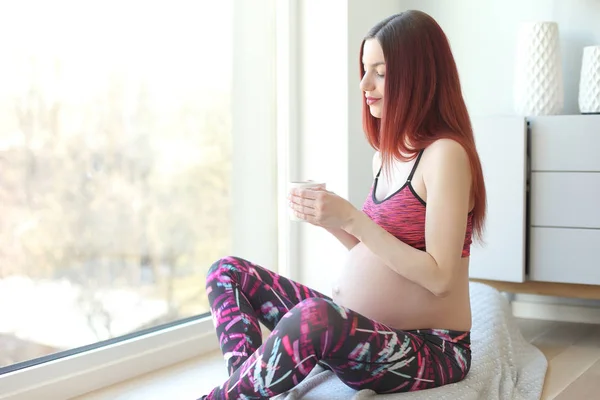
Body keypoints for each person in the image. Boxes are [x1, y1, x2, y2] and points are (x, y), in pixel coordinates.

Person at [199, 9, 486, 400]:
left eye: (381, 72)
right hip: (366, 329)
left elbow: (439, 277)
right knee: (226, 273)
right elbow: (377, 255)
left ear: (419, 76)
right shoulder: (387, 155)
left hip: (431, 348)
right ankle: (247, 387)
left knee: (313, 318)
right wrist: (331, 219)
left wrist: (353, 216)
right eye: (365, 70)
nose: (365, 84)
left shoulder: (445, 156)